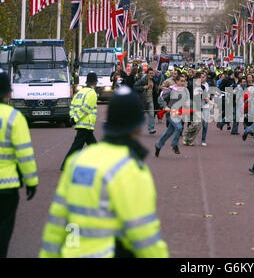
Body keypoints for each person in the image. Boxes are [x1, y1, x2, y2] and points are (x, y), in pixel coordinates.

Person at [40, 86, 169, 258]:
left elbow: (57, 223)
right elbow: (143, 233)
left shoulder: (76, 161)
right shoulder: (131, 168)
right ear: (138, 127)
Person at [0, 70, 38, 258]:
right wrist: (31, 182)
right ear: (8, 93)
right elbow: (25, 155)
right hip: (6, 187)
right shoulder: (14, 118)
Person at [61, 73, 98, 170]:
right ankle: (65, 165)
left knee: (93, 146)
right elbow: (86, 109)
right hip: (86, 124)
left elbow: (72, 106)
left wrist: (73, 117)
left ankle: (101, 161)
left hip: (82, 124)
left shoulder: (79, 92)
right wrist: (76, 118)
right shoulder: (92, 93)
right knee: (76, 147)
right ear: (95, 83)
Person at [155, 75, 189, 157]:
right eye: (181, 81)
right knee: (179, 127)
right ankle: (174, 145)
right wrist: (165, 107)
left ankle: (158, 146)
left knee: (168, 133)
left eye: (184, 81)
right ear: (176, 81)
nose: (183, 83)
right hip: (170, 114)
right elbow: (160, 99)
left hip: (179, 115)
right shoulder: (171, 90)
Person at [133, 68, 158, 134]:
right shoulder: (143, 80)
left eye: (152, 73)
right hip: (143, 101)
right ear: (147, 74)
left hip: (151, 100)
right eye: (150, 73)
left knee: (151, 115)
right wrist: (143, 88)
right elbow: (135, 87)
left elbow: (155, 91)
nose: (151, 74)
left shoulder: (154, 81)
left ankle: (151, 129)